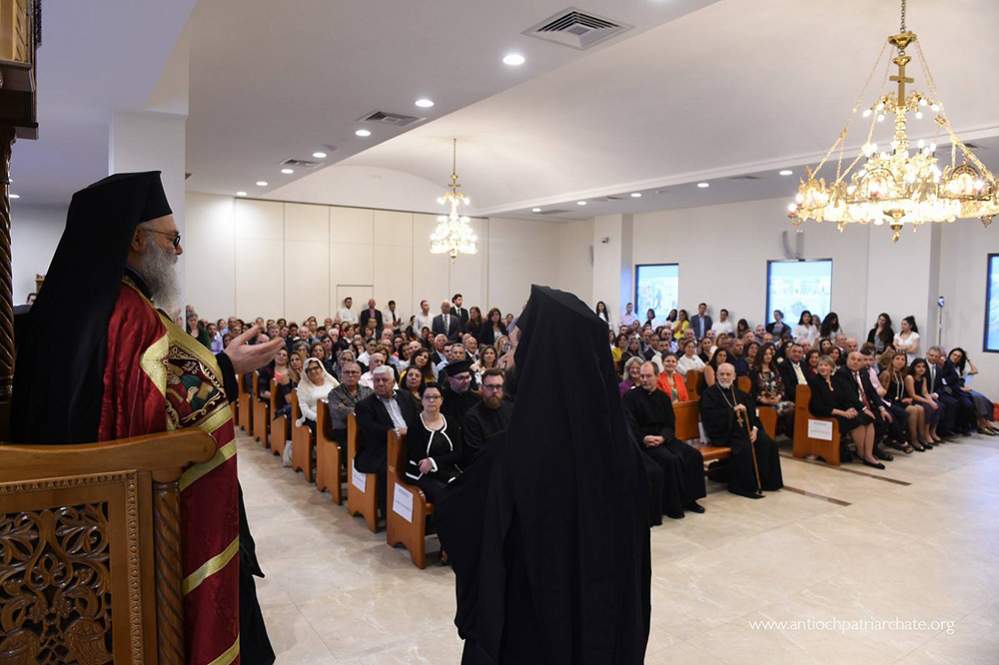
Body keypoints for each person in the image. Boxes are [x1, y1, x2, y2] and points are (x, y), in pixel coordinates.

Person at [10, 172, 281, 664]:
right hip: (123, 526)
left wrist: (221, 365)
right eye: (172, 239)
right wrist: (226, 368)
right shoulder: (132, 316)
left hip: (63, 524)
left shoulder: (69, 305)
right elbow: (181, 405)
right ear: (137, 239)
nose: (178, 251)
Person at [439, 285, 651, 665]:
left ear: (541, 354)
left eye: (516, 346)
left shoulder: (510, 454)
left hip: (531, 625)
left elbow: (462, 523)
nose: (508, 356)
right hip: (600, 623)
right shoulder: (624, 447)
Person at [623, 361, 706, 519]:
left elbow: (670, 423)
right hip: (644, 442)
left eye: (648, 376)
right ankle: (673, 505)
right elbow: (630, 425)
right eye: (642, 376)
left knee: (693, 455)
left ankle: (691, 499)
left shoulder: (663, 397)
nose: (644, 380)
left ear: (657, 376)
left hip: (664, 438)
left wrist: (663, 437)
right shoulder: (630, 397)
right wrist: (644, 438)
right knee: (670, 460)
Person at [699, 363, 783, 498]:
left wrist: (754, 429)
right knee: (744, 446)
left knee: (768, 443)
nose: (725, 377)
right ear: (716, 376)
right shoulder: (709, 394)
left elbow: (753, 416)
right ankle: (744, 486)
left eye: (728, 374)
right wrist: (732, 411)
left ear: (734, 376)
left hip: (745, 431)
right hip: (724, 433)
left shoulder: (741, 394)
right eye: (721, 374)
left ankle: (767, 482)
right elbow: (711, 418)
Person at [354, 365, 418, 514]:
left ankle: (416, 511)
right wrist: (395, 432)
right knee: (389, 469)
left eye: (384, 380)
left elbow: (417, 418)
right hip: (381, 449)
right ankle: (388, 511)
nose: (380, 383)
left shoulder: (405, 396)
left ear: (393, 382)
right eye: (377, 381)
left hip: (409, 443)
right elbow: (371, 430)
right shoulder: (364, 405)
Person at [404, 383, 463, 505]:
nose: (431, 400)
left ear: (441, 400)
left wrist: (433, 461)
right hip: (420, 474)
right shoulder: (415, 425)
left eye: (436, 397)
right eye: (427, 397)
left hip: (448, 469)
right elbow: (421, 461)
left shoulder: (451, 422)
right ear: (421, 400)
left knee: (470, 486)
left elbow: (458, 453)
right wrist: (447, 476)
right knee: (447, 493)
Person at [462, 368, 514, 466]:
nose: (494, 391)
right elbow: (474, 454)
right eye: (490, 386)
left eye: (498, 386)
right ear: (482, 388)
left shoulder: (512, 409)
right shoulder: (472, 417)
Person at [880, 351, 929, 451]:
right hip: (888, 401)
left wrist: (906, 398)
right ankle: (907, 440)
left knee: (918, 409)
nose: (900, 361)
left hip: (899, 401)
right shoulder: (887, 373)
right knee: (907, 412)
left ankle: (917, 437)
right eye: (897, 359)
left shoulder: (901, 374)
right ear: (892, 360)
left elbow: (903, 391)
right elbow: (882, 393)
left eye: (903, 359)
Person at [926, 345, 974, 437]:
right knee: (952, 401)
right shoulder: (929, 365)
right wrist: (946, 385)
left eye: (939, 356)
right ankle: (945, 430)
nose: (940, 358)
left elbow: (954, 378)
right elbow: (942, 382)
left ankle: (959, 427)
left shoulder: (949, 364)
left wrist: (948, 385)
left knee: (967, 401)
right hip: (943, 390)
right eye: (933, 355)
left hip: (951, 389)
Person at [948, 347, 998, 434]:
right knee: (977, 397)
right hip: (956, 390)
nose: (956, 357)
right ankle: (982, 425)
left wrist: (968, 359)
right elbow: (948, 383)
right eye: (954, 355)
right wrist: (961, 388)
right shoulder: (946, 366)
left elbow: (975, 371)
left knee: (982, 398)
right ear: (950, 355)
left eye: (959, 356)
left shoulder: (960, 368)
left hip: (963, 388)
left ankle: (986, 422)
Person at [751, 343, 794, 434]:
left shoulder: (775, 369)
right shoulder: (754, 371)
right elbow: (752, 391)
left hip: (776, 400)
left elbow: (782, 387)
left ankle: (784, 432)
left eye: (770, 354)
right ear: (761, 355)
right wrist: (765, 400)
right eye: (765, 354)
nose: (768, 356)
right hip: (762, 402)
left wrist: (778, 397)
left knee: (793, 407)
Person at [296, 357, 339, 433]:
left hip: (334, 415)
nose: (313, 371)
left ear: (321, 369)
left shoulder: (330, 381)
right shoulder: (302, 386)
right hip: (313, 418)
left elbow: (341, 396)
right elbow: (304, 409)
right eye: (309, 370)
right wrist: (317, 418)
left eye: (315, 368)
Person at [906, 358, 942, 444]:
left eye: (923, 367)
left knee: (938, 405)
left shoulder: (923, 378)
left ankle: (932, 431)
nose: (921, 369)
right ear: (913, 367)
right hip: (912, 399)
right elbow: (913, 395)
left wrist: (931, 401)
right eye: (918, 367)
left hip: (921, 398)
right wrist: (929, 402)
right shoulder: (910, 377)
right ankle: (925, 433)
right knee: (928, 408)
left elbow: (925, 392)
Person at [440, 358, 479, 430]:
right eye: (461, 378)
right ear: (450, 379)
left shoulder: (476, 398)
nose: (465, 381)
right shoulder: (442, 400)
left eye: (467, 377)